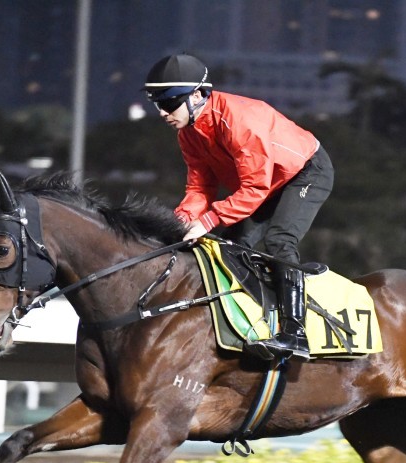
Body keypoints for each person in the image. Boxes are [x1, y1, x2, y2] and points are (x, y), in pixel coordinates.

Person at [143, 53, 334, 361]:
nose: (163, 113)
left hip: (305, 172)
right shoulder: (188, 133)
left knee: (278, 240)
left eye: (169, 103)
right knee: (231, 246)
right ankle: (251, 319)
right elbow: (199, 188)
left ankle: (295, 333)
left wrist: (206, 222)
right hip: (264, 183)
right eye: (158, 105)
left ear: (197, 95)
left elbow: (255, 188)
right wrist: (179, 224)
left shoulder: (240, 121)